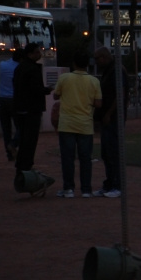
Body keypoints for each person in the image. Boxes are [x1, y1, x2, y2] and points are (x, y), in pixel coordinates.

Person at [52, 51, 102, 198]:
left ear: (74, 63)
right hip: (85, 124)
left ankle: (68, 189)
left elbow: (55, 95)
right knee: (85, 158)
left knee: (67, 158)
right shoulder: (94, 81)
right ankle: (86, 189)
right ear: (87, 64)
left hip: (67, 123)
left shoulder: (64, 78)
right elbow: (98, 103)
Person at [92, 47, 128, 197]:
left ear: (104, 57)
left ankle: (117, 185)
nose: (96, 62)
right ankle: (110, 184)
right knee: (107, 153)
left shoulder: (116, 71)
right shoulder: (109, 70)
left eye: (97, 59)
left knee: (113, 152)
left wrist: (109, 113)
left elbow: (120, 94)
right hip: (108, 117)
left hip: (113, 117)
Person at [12, 43, 50, 179]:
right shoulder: (33, 69)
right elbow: (35, 89)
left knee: (24, 139)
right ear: (30, 54)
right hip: (32, 109)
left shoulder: (19, 68)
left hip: (20, 108)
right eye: (37, 52)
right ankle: (26, 167)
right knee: (30, 141)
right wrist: (47, 90)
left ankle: (21, 167)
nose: (39, 54)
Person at [0, 51, 21, 161]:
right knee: (21, 126)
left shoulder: (2, 65)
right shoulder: (19, 68)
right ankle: (13, 144)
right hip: (15, 99)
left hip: (2, 99)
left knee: (6, 129)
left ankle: (9, 154)